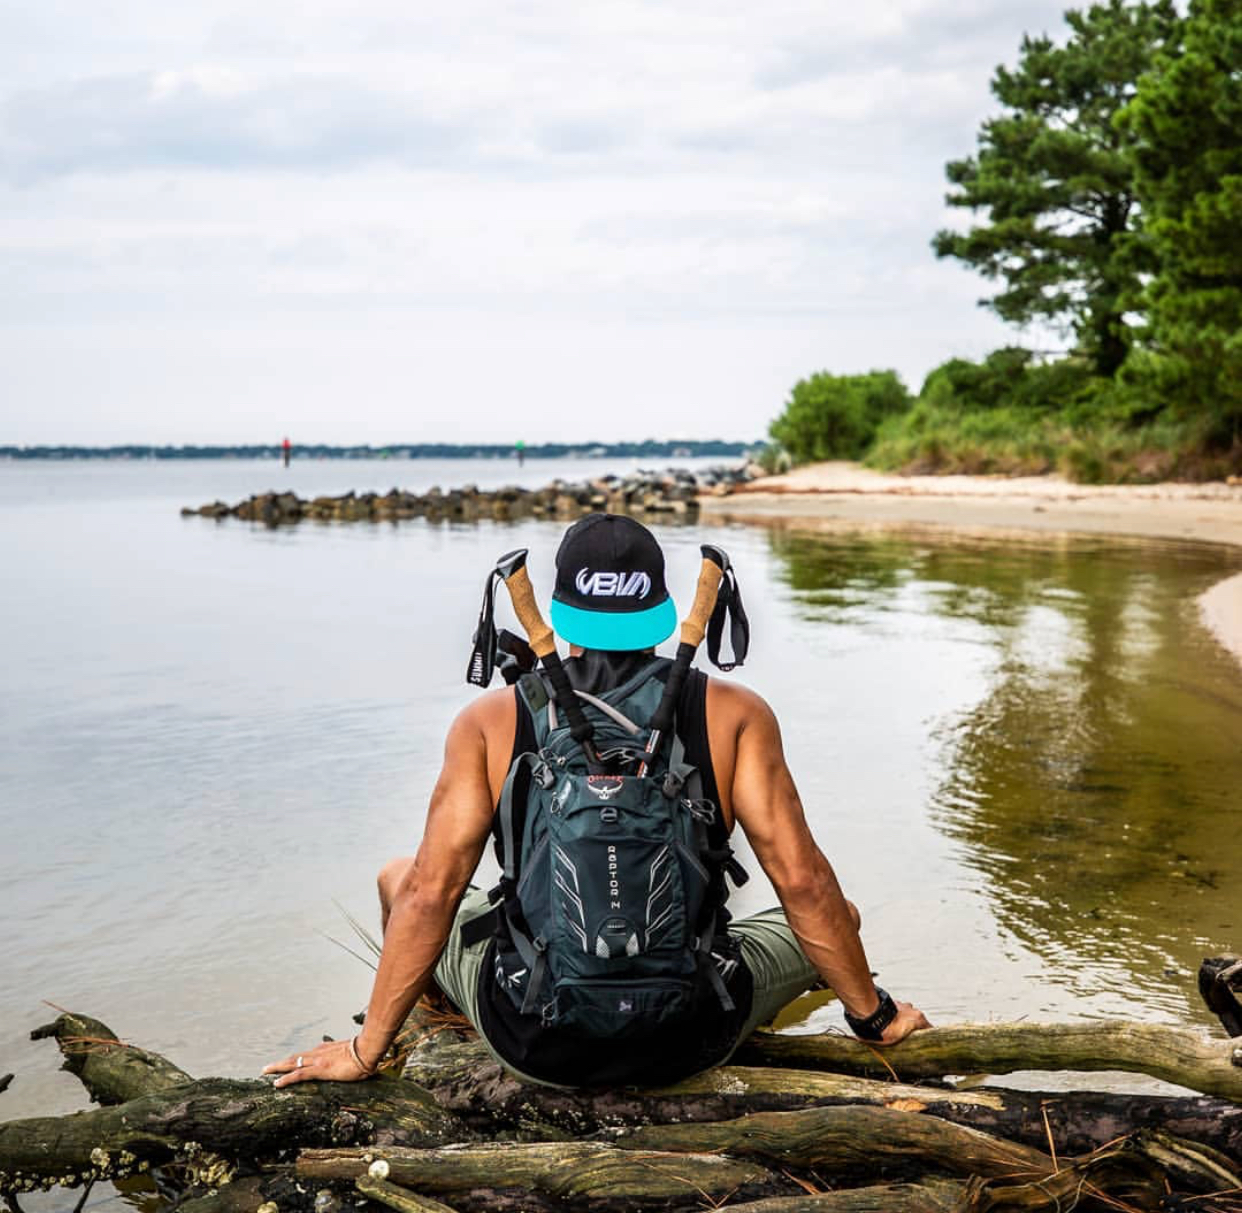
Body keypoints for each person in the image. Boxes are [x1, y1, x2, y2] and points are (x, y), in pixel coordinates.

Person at [265, 515, 930, 1088]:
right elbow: (804, 883)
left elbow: (427, 894)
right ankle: (832, 999)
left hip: (534, 1040)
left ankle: (437, 1026)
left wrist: (362, 1050)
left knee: (394, 876)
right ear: (662, 610)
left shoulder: (491, 720)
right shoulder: (733, 713)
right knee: (838, 912)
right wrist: (875, 1017)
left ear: (559, 612)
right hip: (689, 1039)